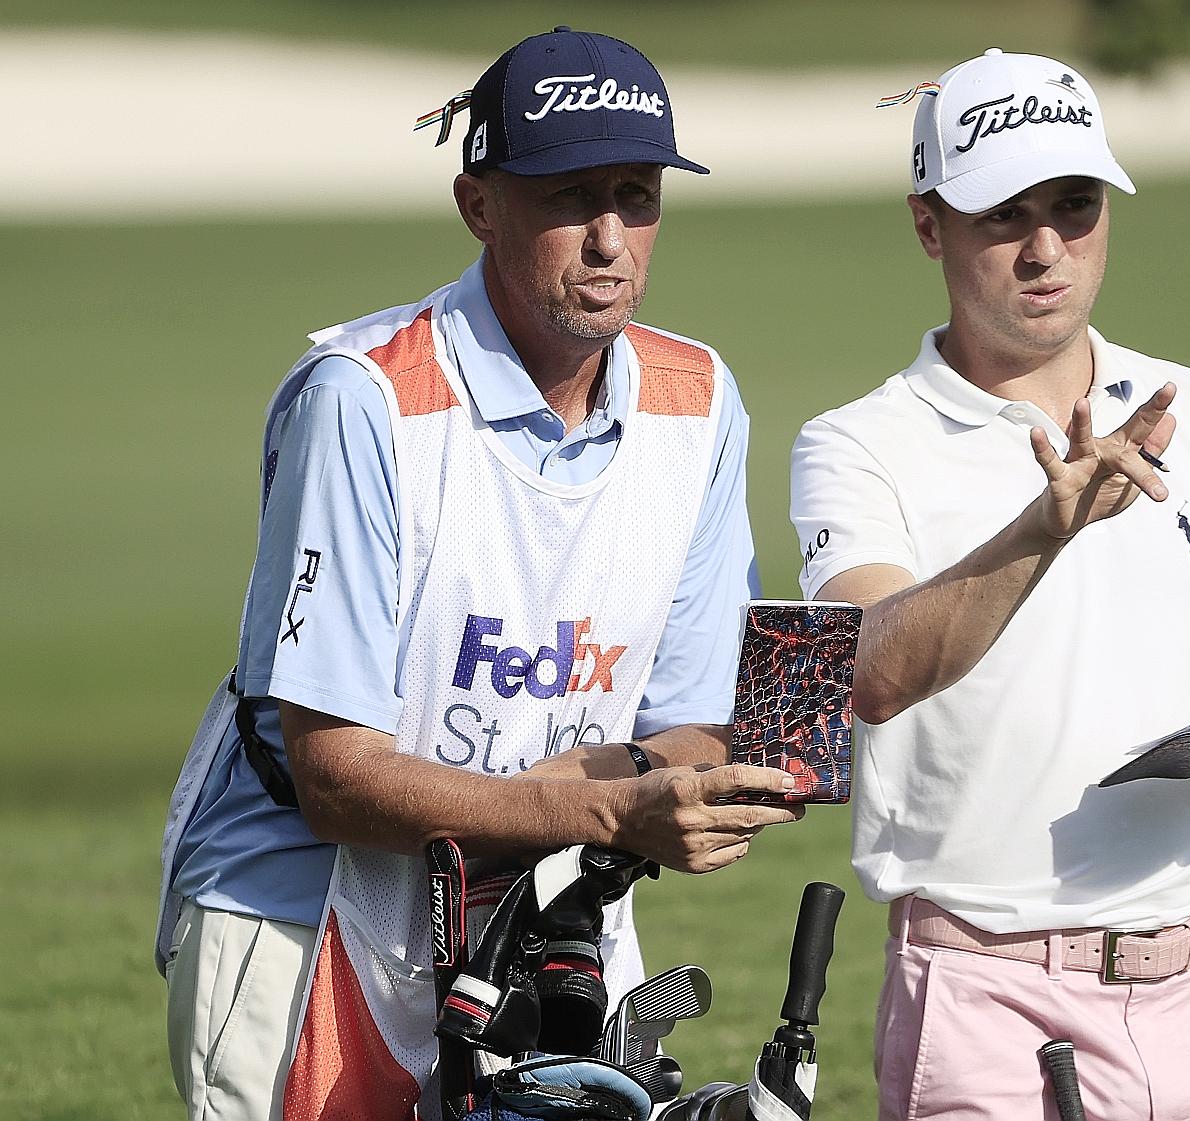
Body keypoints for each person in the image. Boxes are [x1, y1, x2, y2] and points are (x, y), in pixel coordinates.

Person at [155, 27, 801, 1121]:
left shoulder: (700, 399)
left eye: (636, 196)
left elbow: (693, 720)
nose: (610, 238)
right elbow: (334, 776)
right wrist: (608, 805)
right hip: (308, 918)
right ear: (478, 204)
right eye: (569, 196)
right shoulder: (363, 397)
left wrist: (645, 794)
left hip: (553, 914)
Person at [790, 49, 1190, 1121]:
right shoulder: (856, 443)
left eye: (1074, 205)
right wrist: (1047, 527)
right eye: (1004, 213)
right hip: (988, 995)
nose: (1046, 249)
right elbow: (871, 672)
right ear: (929, 224)